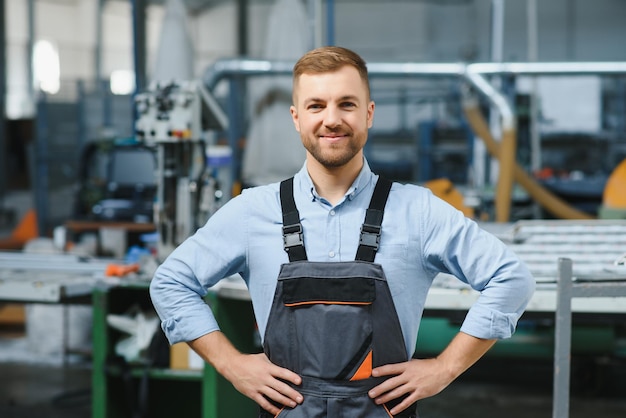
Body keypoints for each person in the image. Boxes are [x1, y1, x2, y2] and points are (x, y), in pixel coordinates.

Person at [150, 46, 535, 417]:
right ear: (296, 117)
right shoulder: (252, 212)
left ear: (369, 114)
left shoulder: (418, 211)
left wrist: (444, 368)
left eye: (346, 104)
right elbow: (170, 283)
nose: (331, 119)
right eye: (316, 105)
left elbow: (511, 278)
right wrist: (231, 364)